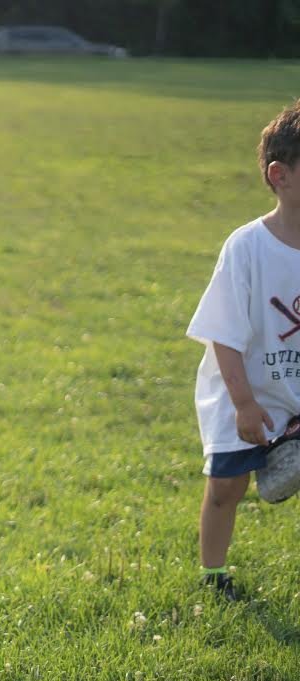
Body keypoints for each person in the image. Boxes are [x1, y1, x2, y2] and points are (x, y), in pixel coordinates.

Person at [186, 99, 300, 601]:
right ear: (280, 176)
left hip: (294, 389)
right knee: (227, 488)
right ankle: (214, 576)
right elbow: (224, 334)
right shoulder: (248, 248)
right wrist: (244, 404)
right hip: (243, 391)